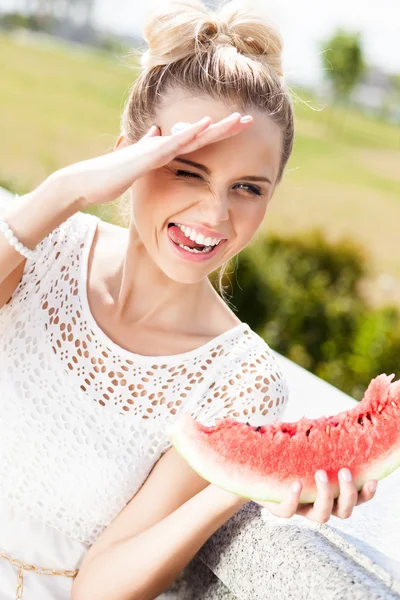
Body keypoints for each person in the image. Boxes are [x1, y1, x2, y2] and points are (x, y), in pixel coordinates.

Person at [0, 0, 378, 598]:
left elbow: (97, 588)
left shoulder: (240, 381)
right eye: (186, 169)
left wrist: (245, 485)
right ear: (128, 153)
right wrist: (67, 189)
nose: (215, 215)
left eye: (248, 188)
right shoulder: (33, 243)